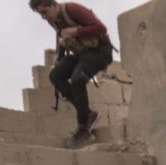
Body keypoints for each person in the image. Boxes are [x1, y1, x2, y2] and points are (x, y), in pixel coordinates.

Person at [29, 0, 114, 148]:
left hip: (101, 51)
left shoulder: (72, 9)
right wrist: (60, 58)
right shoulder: (54, 21)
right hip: (82, 53)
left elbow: (101, 28)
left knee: (77, 80)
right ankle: (88, 113)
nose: (44, 17)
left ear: (54, 5)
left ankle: (83, 129)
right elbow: (61, 37)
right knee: (56, 76)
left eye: (44, 12)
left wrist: (76, 32)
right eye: (40, 14)